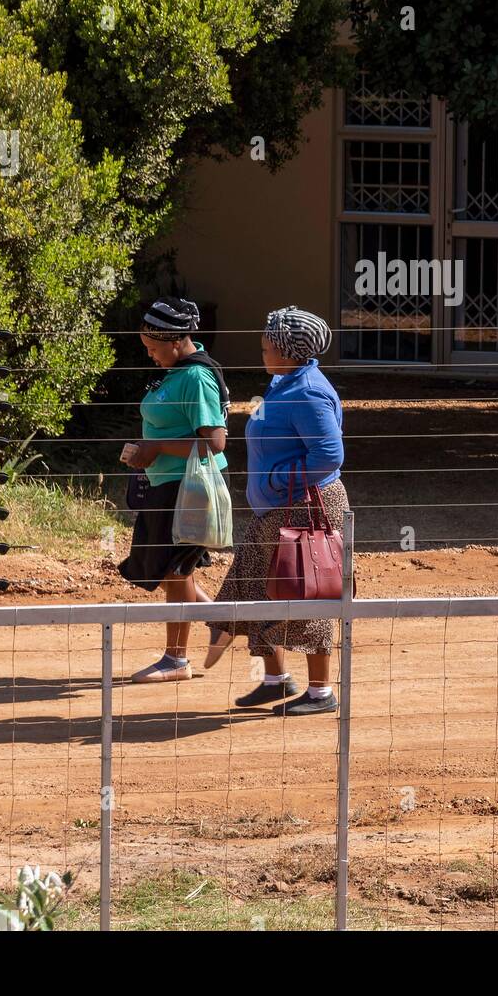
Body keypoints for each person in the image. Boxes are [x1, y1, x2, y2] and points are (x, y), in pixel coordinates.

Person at [205, 306, 347, 716]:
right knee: (257, 584)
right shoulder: (285, 382)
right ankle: (274, 678)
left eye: (269, 344)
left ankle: (321, 693)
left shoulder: (308, 392)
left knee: (307, 592)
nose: (263, 348)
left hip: (307, 509)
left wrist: (276, 480)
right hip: (281, 509)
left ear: (288, 350)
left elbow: (329, 453)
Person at [118, 297, 229, 683]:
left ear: (176, 340)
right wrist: (146, 451)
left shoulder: (195, 378)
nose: (149, 356)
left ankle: (176, 659)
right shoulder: (175, 371)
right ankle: (219, 621)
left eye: (153, 348)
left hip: (189, 490)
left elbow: (215, 443)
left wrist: (157, 448)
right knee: (169, 569)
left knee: (175, 569)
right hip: (165, 485)